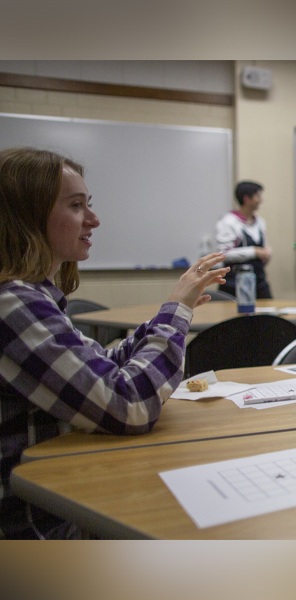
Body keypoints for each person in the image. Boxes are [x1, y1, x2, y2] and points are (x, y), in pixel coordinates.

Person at [0, 148, 229, 538]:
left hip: (62, 499)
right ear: (28, 215)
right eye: (76, 206)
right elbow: (128, 404)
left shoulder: (33, 297)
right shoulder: (13, 304)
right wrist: (174, 313)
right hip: (40, 526)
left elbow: (101, 365)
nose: (94, 219)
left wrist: (168, 315)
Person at [215, 180, 272, 299]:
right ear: (247, 199)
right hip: (233, 285)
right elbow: (223, 254)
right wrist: (254, 252)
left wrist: (266, 253)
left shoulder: (260, 222)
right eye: (258, 196)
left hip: (259, 283)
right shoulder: (228, 222)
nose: (261, 200)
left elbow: (263, 247)